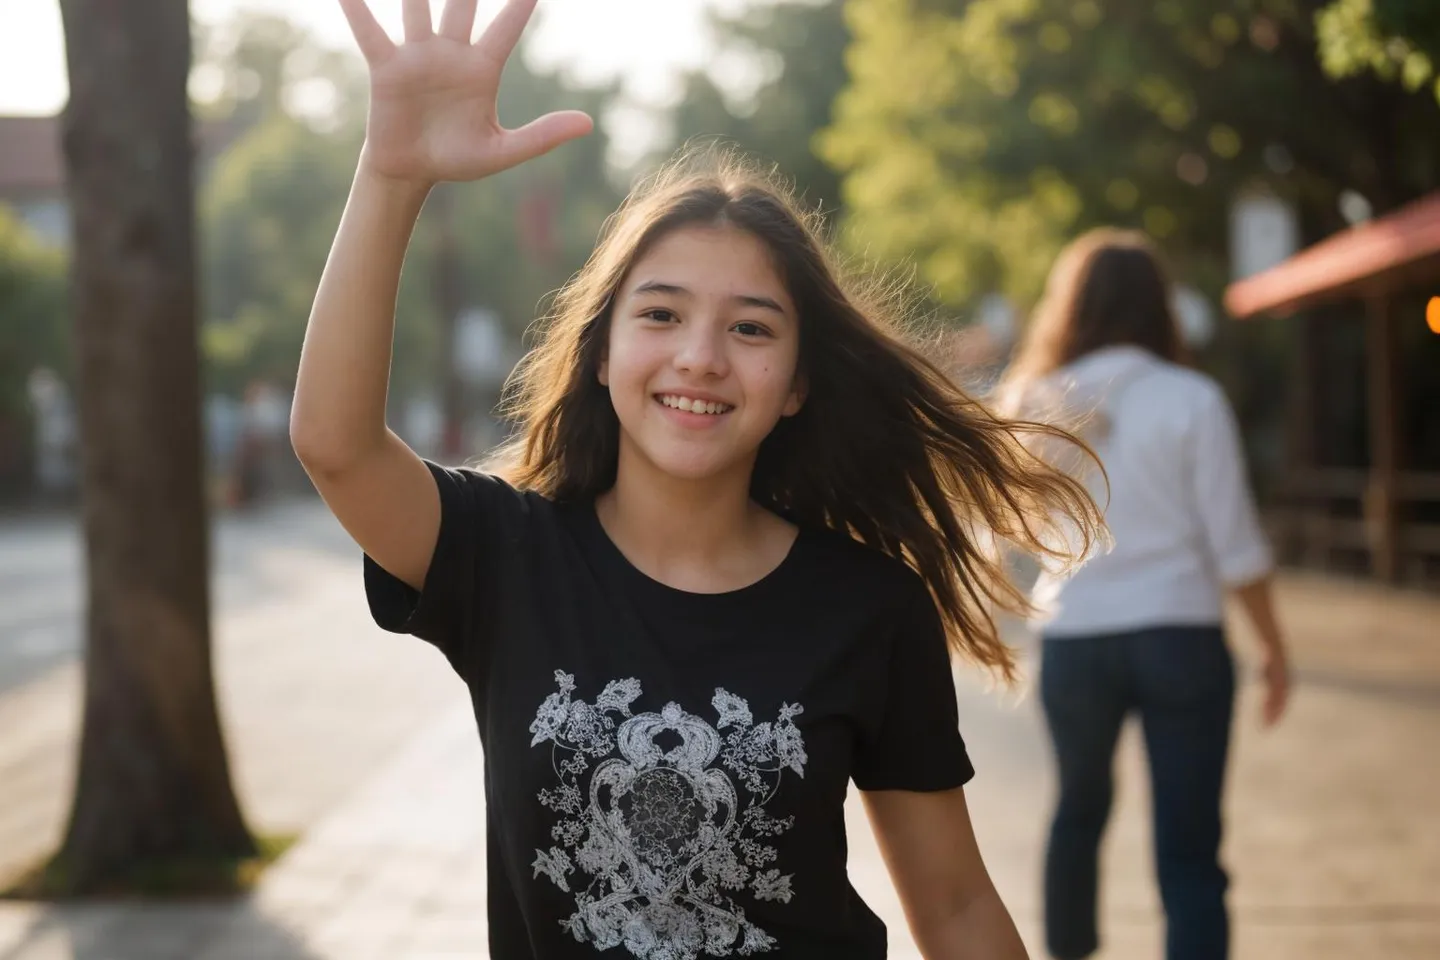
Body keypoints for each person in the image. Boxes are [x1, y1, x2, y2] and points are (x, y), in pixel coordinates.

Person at [292, 1, 1103, 957]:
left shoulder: (871, 608)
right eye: (662, 316)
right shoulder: (503, 555)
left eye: (751, 327)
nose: (702, 358)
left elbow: (958, 908)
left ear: (797, 384)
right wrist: (392, 175)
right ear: (602, 354)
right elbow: (337, 446)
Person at [995, 229, 1292, 960]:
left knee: (1076, 816)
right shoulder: (1193, 398)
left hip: (1076, 638)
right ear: (1158, 304)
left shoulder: (1037, 398)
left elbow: (1012, 533)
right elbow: (1236, 544)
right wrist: (1275, 648)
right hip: (1181, 635)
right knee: (1190, 850)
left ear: (1072, 304)